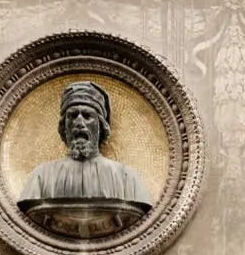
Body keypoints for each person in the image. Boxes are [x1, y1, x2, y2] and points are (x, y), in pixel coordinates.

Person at [18, 80, 153, 206]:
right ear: (64, 126)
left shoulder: (126, 178)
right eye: (72, 116)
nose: (79, 123)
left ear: (100, 126)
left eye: (87, 116)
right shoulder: (42, 176)